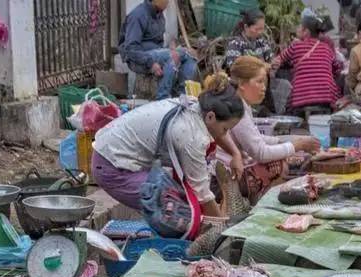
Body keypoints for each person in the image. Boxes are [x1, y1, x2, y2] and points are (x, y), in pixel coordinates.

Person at [91, 84, 245, 223]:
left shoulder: (195, 105)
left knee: (182, 205)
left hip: (114, 150)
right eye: (226, 129)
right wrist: (222, 228)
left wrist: (235, 154)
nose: (226, 133)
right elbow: (202, 194)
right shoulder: (191, 136)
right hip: (112, 165)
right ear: (211, 116)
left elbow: (217, 131)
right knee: (181, 214)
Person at [211, 58, 321, 204]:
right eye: (259, 81)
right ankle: (259, 204)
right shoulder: (237, 108)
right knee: (279, 165)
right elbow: (260, 153)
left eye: (264, 82)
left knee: (284, 156)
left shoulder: (240, 104)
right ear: (242, 84)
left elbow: (255, 137)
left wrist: (287, 141)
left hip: (230, 171)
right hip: (224, 178)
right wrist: (296, 146)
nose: (264, 87)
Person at [118, 0, 198, 99]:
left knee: (190, 56)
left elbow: (158, 47)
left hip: (154, 54)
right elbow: (130, 50)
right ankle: (162, 98)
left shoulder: (159, 15)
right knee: (175, 55)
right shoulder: (138, 15)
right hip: (138, 59)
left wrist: (170, 48)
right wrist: (150, 63)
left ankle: (181, 97)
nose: (167, 2)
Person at [271, 16, 344, 115]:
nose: (297, 29)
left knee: (288, 103)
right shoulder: (326, 48)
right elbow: (337, 68)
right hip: (326, 96)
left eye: (299, 27)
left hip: (301, 96)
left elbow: (277, 60)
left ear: (306, 31)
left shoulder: (296, 46)